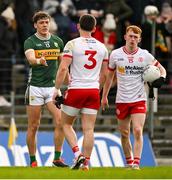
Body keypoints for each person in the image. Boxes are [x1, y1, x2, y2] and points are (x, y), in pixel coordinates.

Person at [101, 25, 167, 170]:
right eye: (130, 36)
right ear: (125, 37)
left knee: (137, 130)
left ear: (139, 39)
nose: (132, 39)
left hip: (139, 98)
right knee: (124, 133)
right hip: (122, 99)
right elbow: (109, 77)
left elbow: (162, 69)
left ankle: (136, 163)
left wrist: (161, 78)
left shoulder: (145, 55)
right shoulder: (115, 54)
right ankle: (129, 161)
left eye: (135, 37)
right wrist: (104, 96)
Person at [53, 14, 108, 170]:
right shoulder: (102, 47)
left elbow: (63, 68)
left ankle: (77, 154)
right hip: (93, 91)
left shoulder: (72, 44)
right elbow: (105, 74)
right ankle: (86, 164)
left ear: (78, 26)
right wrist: (98, 88)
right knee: (89, 129)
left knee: (65, 123)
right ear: (95, 29)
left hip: (76, 89)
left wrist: (57, 89)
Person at [24, 11, 68, 167]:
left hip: (52, 89)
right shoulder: (30, 41)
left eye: (46, 22)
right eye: (41, 23)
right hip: (35, 88)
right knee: (34, 125)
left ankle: (57, 158)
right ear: (35, 25)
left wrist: (69, 83)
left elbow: (63, 66)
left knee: (61, 121)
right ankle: (33, 160)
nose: (44, 25)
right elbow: (30, 59)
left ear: (49, 24)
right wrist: (38, 60)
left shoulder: (58, 41)